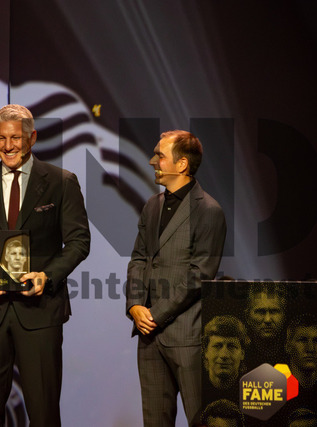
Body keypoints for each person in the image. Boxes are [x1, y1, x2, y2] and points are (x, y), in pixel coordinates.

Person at [0, 104, 90, 426]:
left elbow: (79, 242)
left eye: (15, 138)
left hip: (40, 312)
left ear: (32, 138)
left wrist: (47, 276)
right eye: (1, 138)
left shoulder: (61, 182)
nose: (8, 146)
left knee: (43, 414)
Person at [125, 130, 227, 426]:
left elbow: (200, 274)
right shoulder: (152, 205)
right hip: (149, 337)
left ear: (182, 164)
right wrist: (134, 305)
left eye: (159, 155)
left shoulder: (208, 210)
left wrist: (155, 315)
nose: (152, 161)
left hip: (187, 337)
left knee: (200, 419)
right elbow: (139, 258)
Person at [202, 316, 249, 401]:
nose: (224, 355)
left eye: (231, 346)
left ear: (242, 353)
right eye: (217, 346)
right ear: (206, 351)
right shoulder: (195, 386)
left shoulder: (253, 389)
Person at [243, 283, 287, 368]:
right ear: (247, 317)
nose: (267, 320)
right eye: (261, 312)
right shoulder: (239, 359)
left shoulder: (296, 357)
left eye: (274, 311)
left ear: (284, 316)